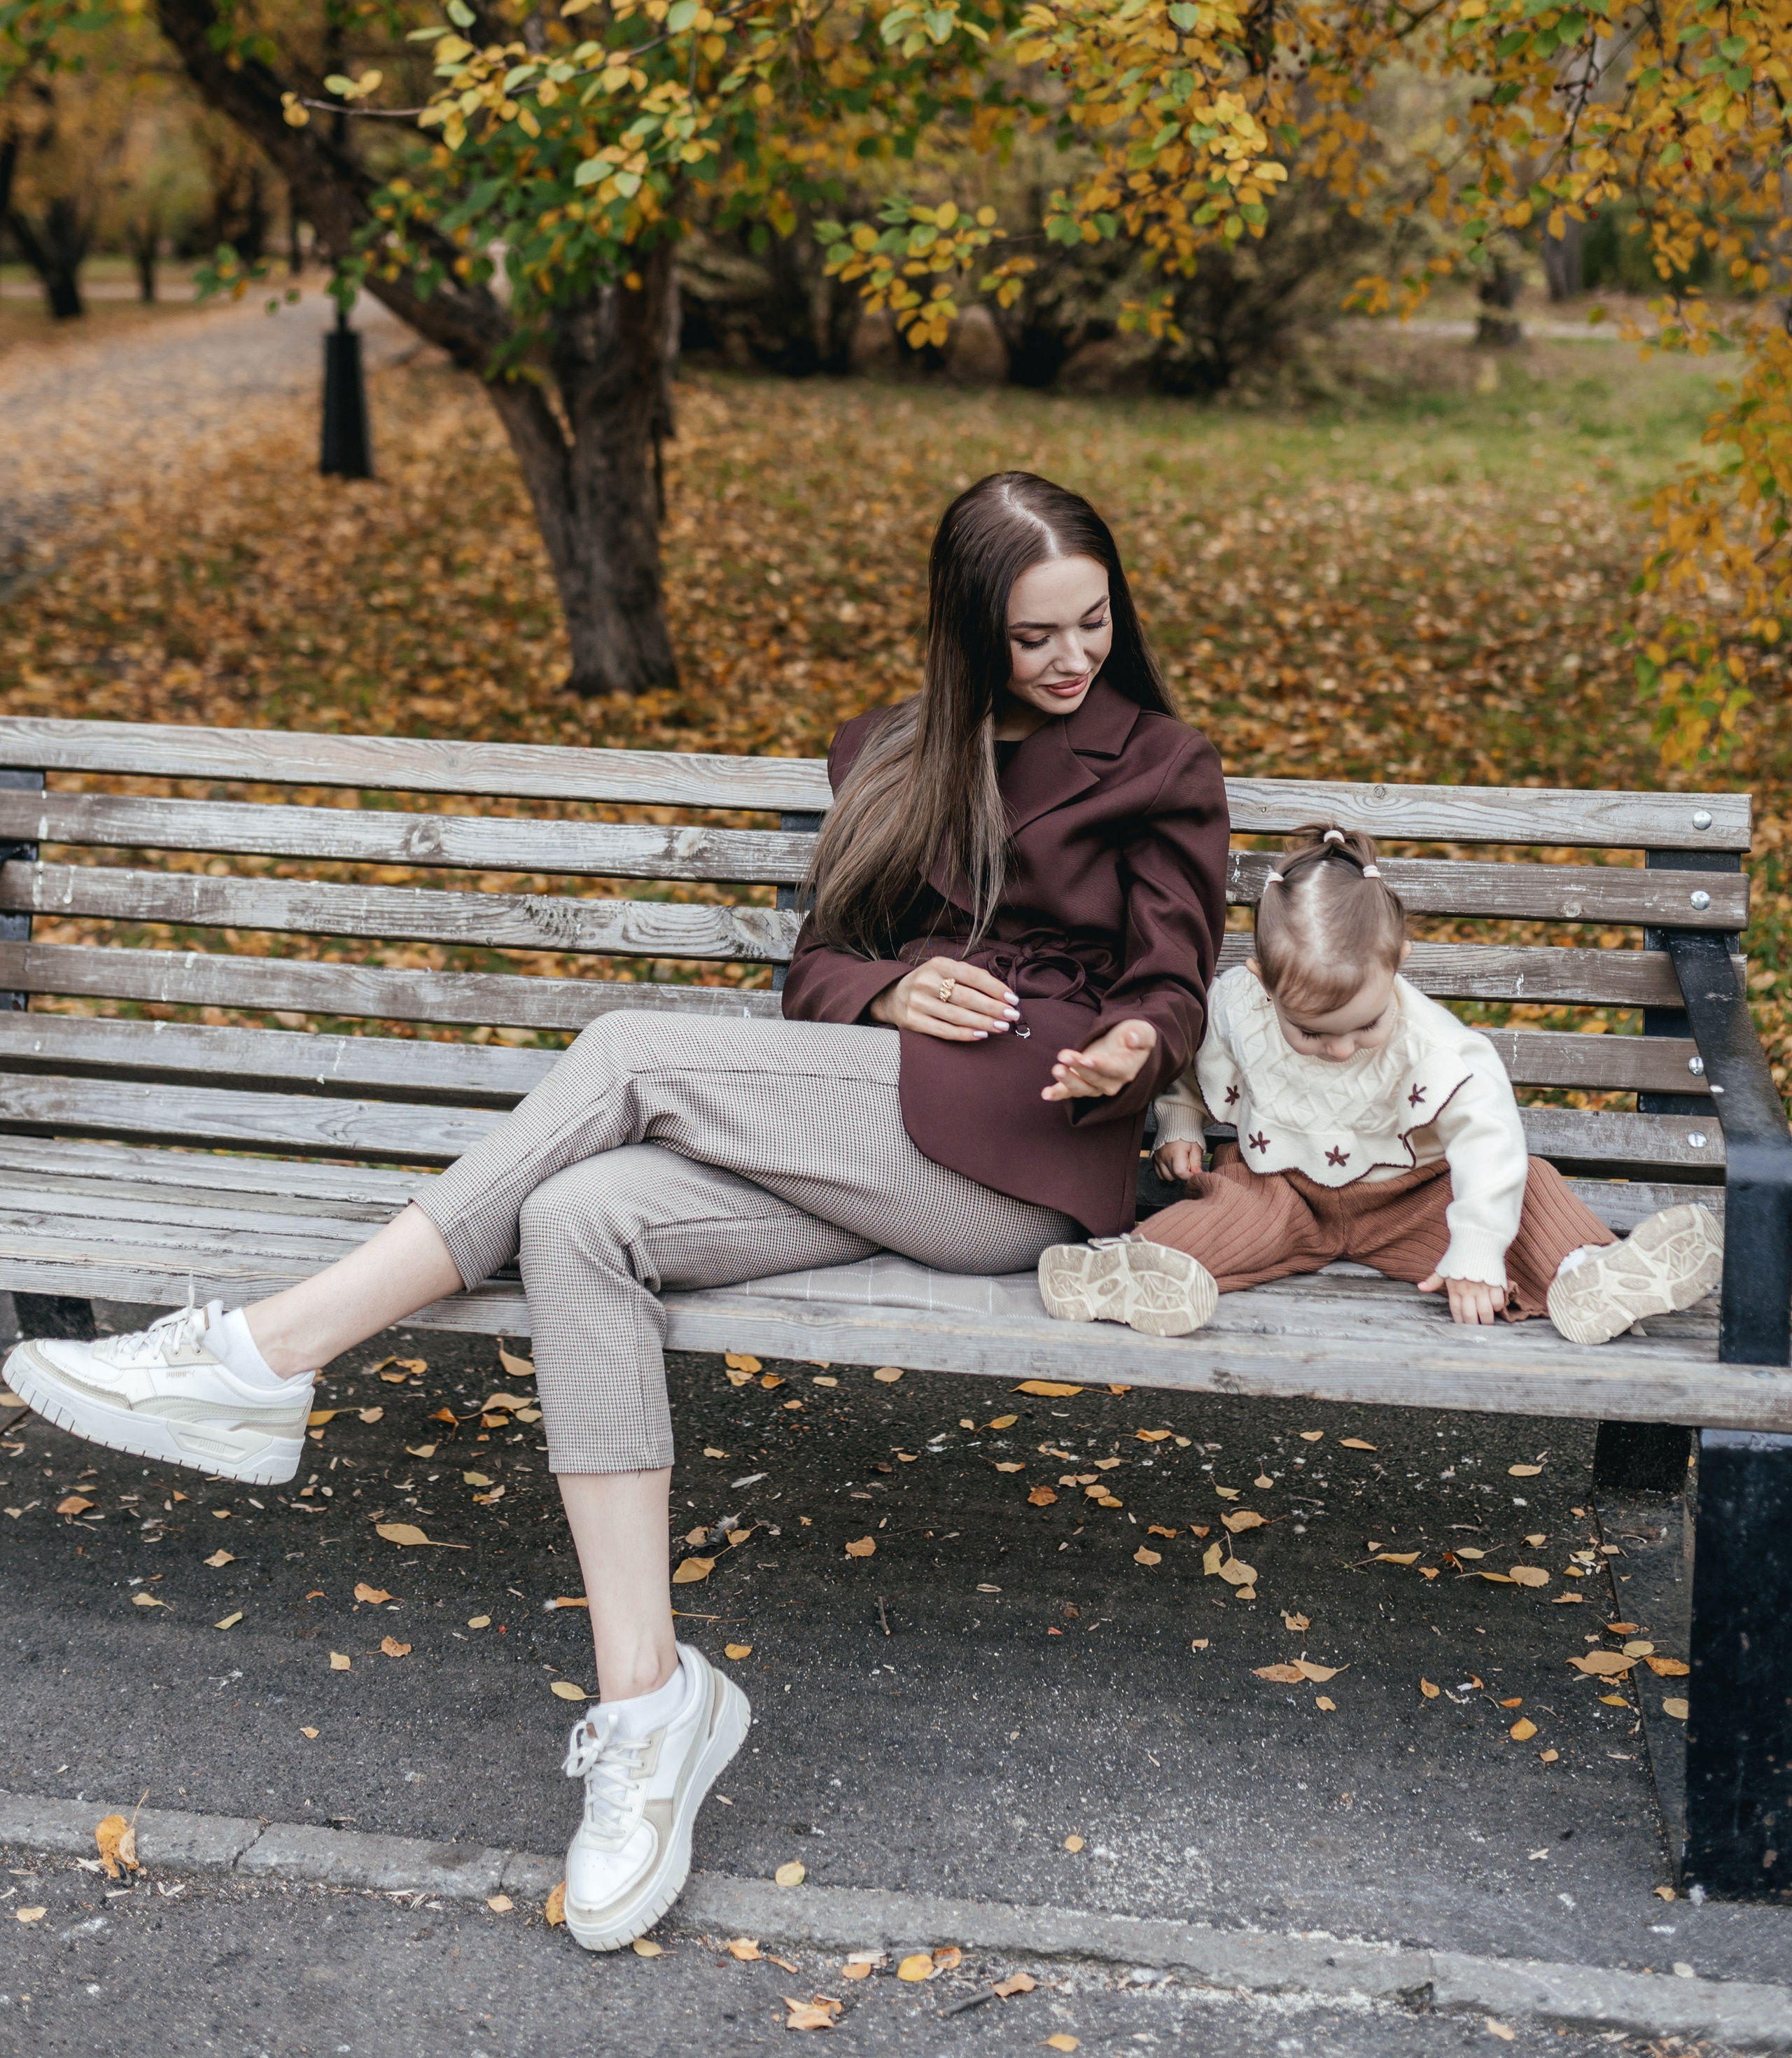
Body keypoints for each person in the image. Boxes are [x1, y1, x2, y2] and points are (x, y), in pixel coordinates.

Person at [3, 470, 1229, 1952]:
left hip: (1018, 1156)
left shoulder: (1158, 763)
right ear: (969, 631)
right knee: (582, 1223)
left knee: (630, 1052)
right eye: (1034, 634)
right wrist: (892, 984)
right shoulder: (897, 754)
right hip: (861, 1113)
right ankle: (650, 1711)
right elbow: (816, 974)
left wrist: (1133, 1049)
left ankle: (266, 1354)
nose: (1070, 657)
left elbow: (1172, 979)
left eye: (1091, 622)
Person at [1038, 823, 1724, 1343]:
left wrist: (1477, 1251)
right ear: (1262, 984)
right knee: (1223, 1211)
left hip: (1411, 1202)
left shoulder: (1436, 1044)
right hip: (1281, 1190)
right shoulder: (1234, 1004)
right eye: (1310, 1033)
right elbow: (1188, 1061)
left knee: (1530, 1185)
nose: (1338, 1048)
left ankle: (1589, 1275)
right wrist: (1183, 1123)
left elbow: (1488, 1137)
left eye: (1362, 1026)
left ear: (1396, 964)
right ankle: (1129, 1271)